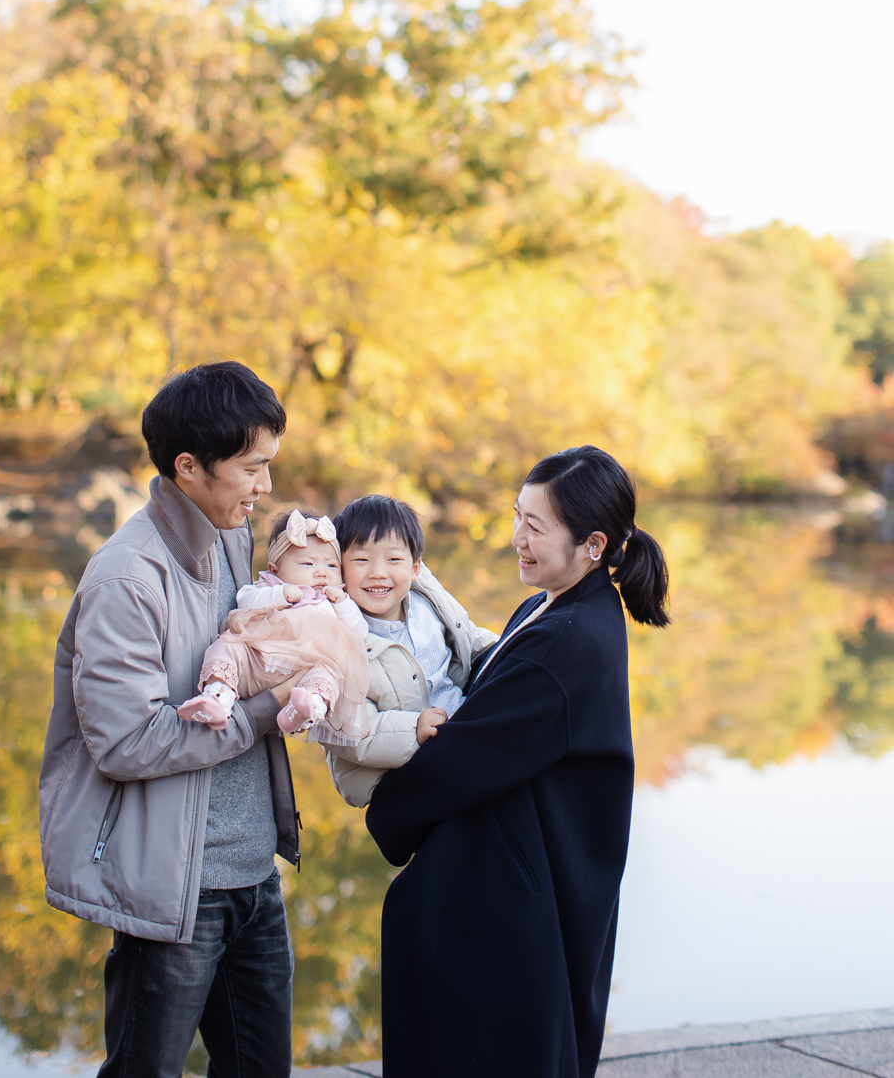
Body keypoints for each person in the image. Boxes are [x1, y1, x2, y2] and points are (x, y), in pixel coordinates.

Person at [365, 445, 671, 1078]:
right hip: (523, 878)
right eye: (516, 517)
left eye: (535, 526)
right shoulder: (554, 606)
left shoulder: (567, 642)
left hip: (517, 899)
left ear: (592, 544)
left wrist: (385, 813)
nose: (516, 539)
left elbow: (466, 758)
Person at [38, 361, 299, 1078]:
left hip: (253, 880)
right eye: (252, 468)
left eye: (269, 465)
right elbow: (126, 742)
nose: (265, 487)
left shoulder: (229, 536)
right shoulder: (127, 576)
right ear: (189, 467)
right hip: (176, 892)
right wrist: (268, 712)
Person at [323, 495, 498, 807]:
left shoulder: (425, 602)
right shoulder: (334, 639)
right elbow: (350, 733)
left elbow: (466, 637)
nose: (377, 572)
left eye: (393, 560)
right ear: (338, 568)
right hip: (404, 769)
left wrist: (506, 650)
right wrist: (413, 730)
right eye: (361, 560)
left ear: (415, 567)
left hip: (459, 722)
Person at [178, 508, 372, 743]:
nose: (322, 572)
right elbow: (244, 601)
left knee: (330, 672)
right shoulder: (269, 588)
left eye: (332, 566)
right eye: (308, 563)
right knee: (228, 645)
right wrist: (279, 594)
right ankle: (217, 696)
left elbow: (358, 634)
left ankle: (306, 708)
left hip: (304, 671)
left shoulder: (332, 601)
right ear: (274, 570)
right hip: (258, 661)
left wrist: (343, 604)